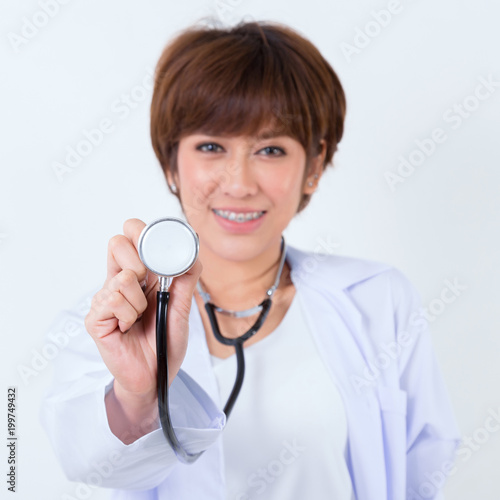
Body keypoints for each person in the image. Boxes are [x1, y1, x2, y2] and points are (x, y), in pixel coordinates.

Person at [40, 20, 461, 500]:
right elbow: (89, 463)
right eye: (211, 146)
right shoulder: (107, 322)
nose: (239, 183)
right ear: (170, 162)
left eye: (271, 149)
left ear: (315, 165)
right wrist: (137, 393)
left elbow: (424, 467)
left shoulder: (378, 300)